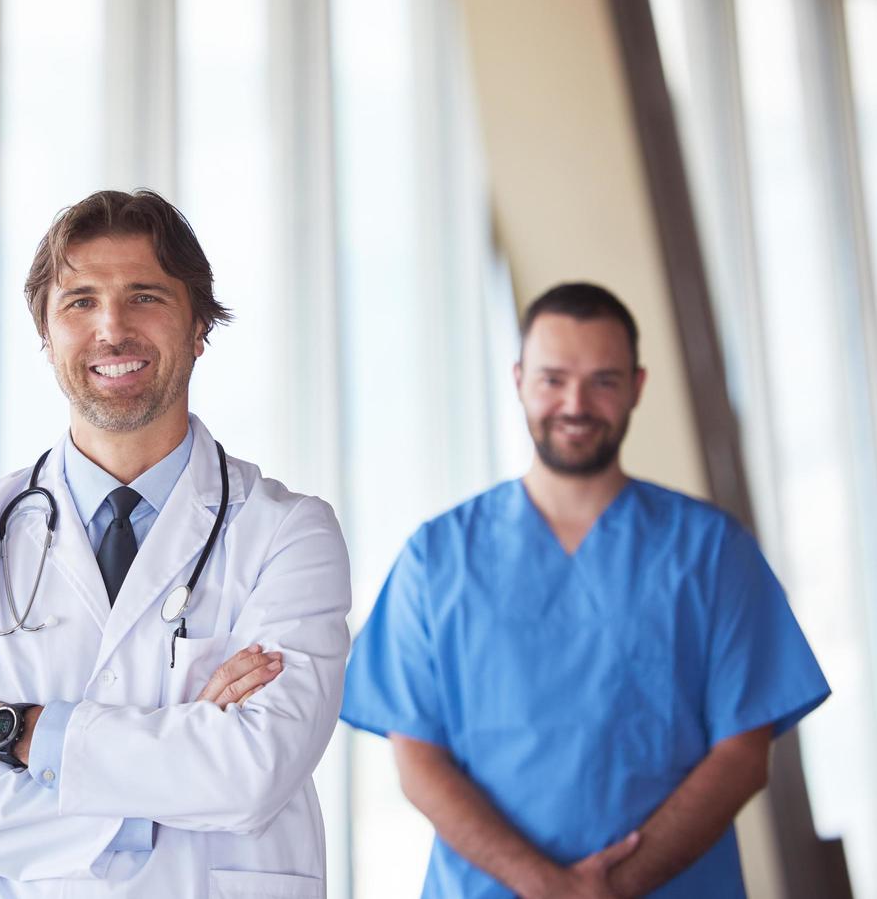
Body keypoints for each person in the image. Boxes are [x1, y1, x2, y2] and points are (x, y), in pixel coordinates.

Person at [0, 189, 351, 896]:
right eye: (79, 302)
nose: (111, 328)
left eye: (145, 297)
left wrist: (28, 733)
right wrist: (162, 783)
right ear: (45, 334)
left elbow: (254, 771)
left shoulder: (287, 533)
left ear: (198, 327)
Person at [341, 282, 830, 898]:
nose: (576, 403)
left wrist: (614, 886)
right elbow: (417, 757)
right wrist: (547, 885)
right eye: (553, 379)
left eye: (603, 380)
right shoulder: (437, 557)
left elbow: (742, 755)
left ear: (637, 387)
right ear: (519, 379)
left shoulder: (710, 551)